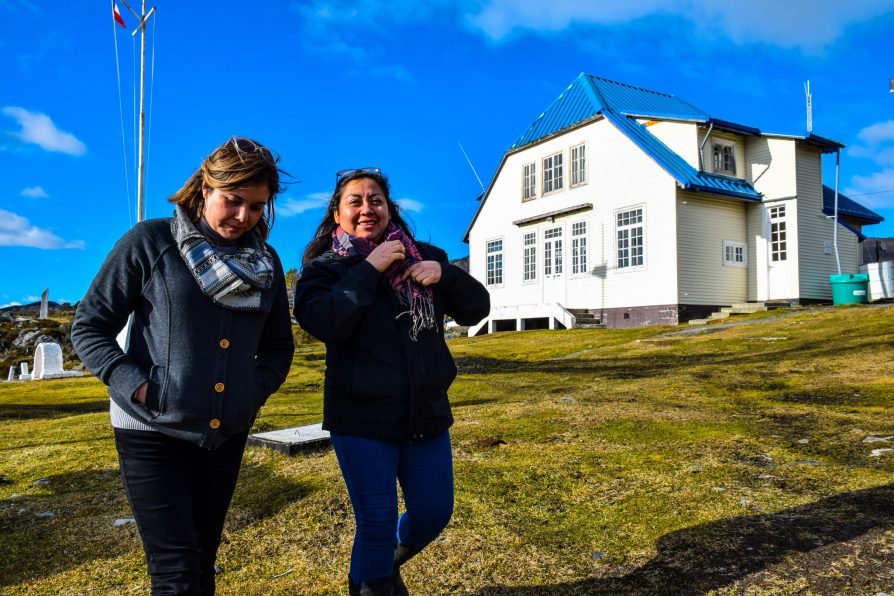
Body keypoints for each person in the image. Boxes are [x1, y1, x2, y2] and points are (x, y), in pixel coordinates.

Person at [71, 136, 295, 594]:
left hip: (224, 432)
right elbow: (89, 327)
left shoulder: (266, 261)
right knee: (174, 570)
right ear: (205, 189)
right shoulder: (150, 242)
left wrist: (252, 392)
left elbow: (277, 348)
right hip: (151, 430)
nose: (243, 218)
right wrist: (138, 386)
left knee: (202, 558)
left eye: (256, 207)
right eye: (233, 202)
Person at [293, 168, 490, 595]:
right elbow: (323, 321)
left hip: (427, 413)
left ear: (389, 207)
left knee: (434, 513)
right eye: (356, 201)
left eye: (376, 199)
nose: (367, 208)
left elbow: (478, 309)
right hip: (361, 419)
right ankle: (372, 582)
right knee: (377, 521)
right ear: (338, 213)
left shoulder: (424, 255)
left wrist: (447, 274)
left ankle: (383, 565)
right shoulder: (324, 269)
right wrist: (368, 269)